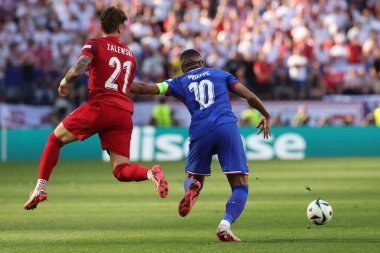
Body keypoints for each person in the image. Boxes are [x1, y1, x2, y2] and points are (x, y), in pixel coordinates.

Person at [23, 7, 169, 210]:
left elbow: (80, 65)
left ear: (101, 26)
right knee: (120, 170)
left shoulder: (94, 44)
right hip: (123, 114)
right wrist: (165, 87)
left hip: (100, 108)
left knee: (54, 140)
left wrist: (65, 81)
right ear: (120, 27)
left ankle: (40, 189)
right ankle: (150, 174)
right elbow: (131, 86)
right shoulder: (130, 55)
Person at [130, 49, 271, 242]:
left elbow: (145, 89)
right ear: (202, 63)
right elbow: (250, 97)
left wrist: (116, 85)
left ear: (182, 68)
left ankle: (192, 187)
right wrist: (266, 114)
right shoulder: (220, 74)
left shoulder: (178, 82)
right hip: (226, 128)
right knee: (240, 187)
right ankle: (225, 225)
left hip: (200, 131)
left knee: (193, 178)